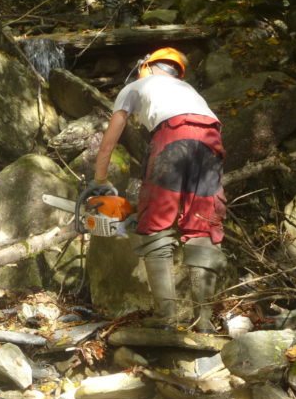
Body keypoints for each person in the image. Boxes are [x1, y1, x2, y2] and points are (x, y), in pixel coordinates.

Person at [88, 47, 227, 333]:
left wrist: (100, 179)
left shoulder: (137, 85)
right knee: (204, 226)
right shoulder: (188, 91)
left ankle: (167, 317)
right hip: (210, 139)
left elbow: (109, 139)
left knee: (156, 227)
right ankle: (205, 321)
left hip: (172, 136)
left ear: (146, 66)